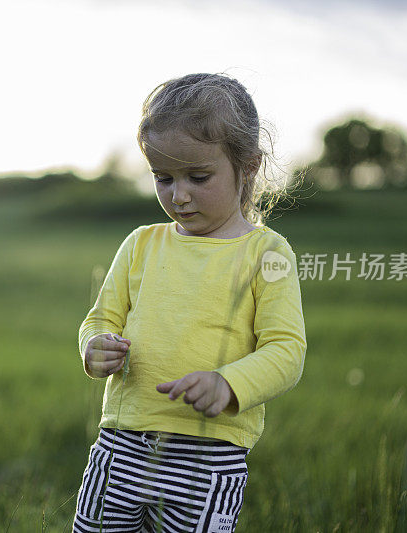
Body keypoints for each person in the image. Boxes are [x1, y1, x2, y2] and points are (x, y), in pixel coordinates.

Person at [73, 73, 307, 532]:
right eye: (163, 178)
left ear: (248, 167)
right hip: (120, 443)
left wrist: (229, 384)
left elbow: (287, 350)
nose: (179, 196)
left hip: (208, 453)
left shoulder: (268, 253)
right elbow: (101, 317)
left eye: (198, 177)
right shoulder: (141, 244)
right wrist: (93, 345)